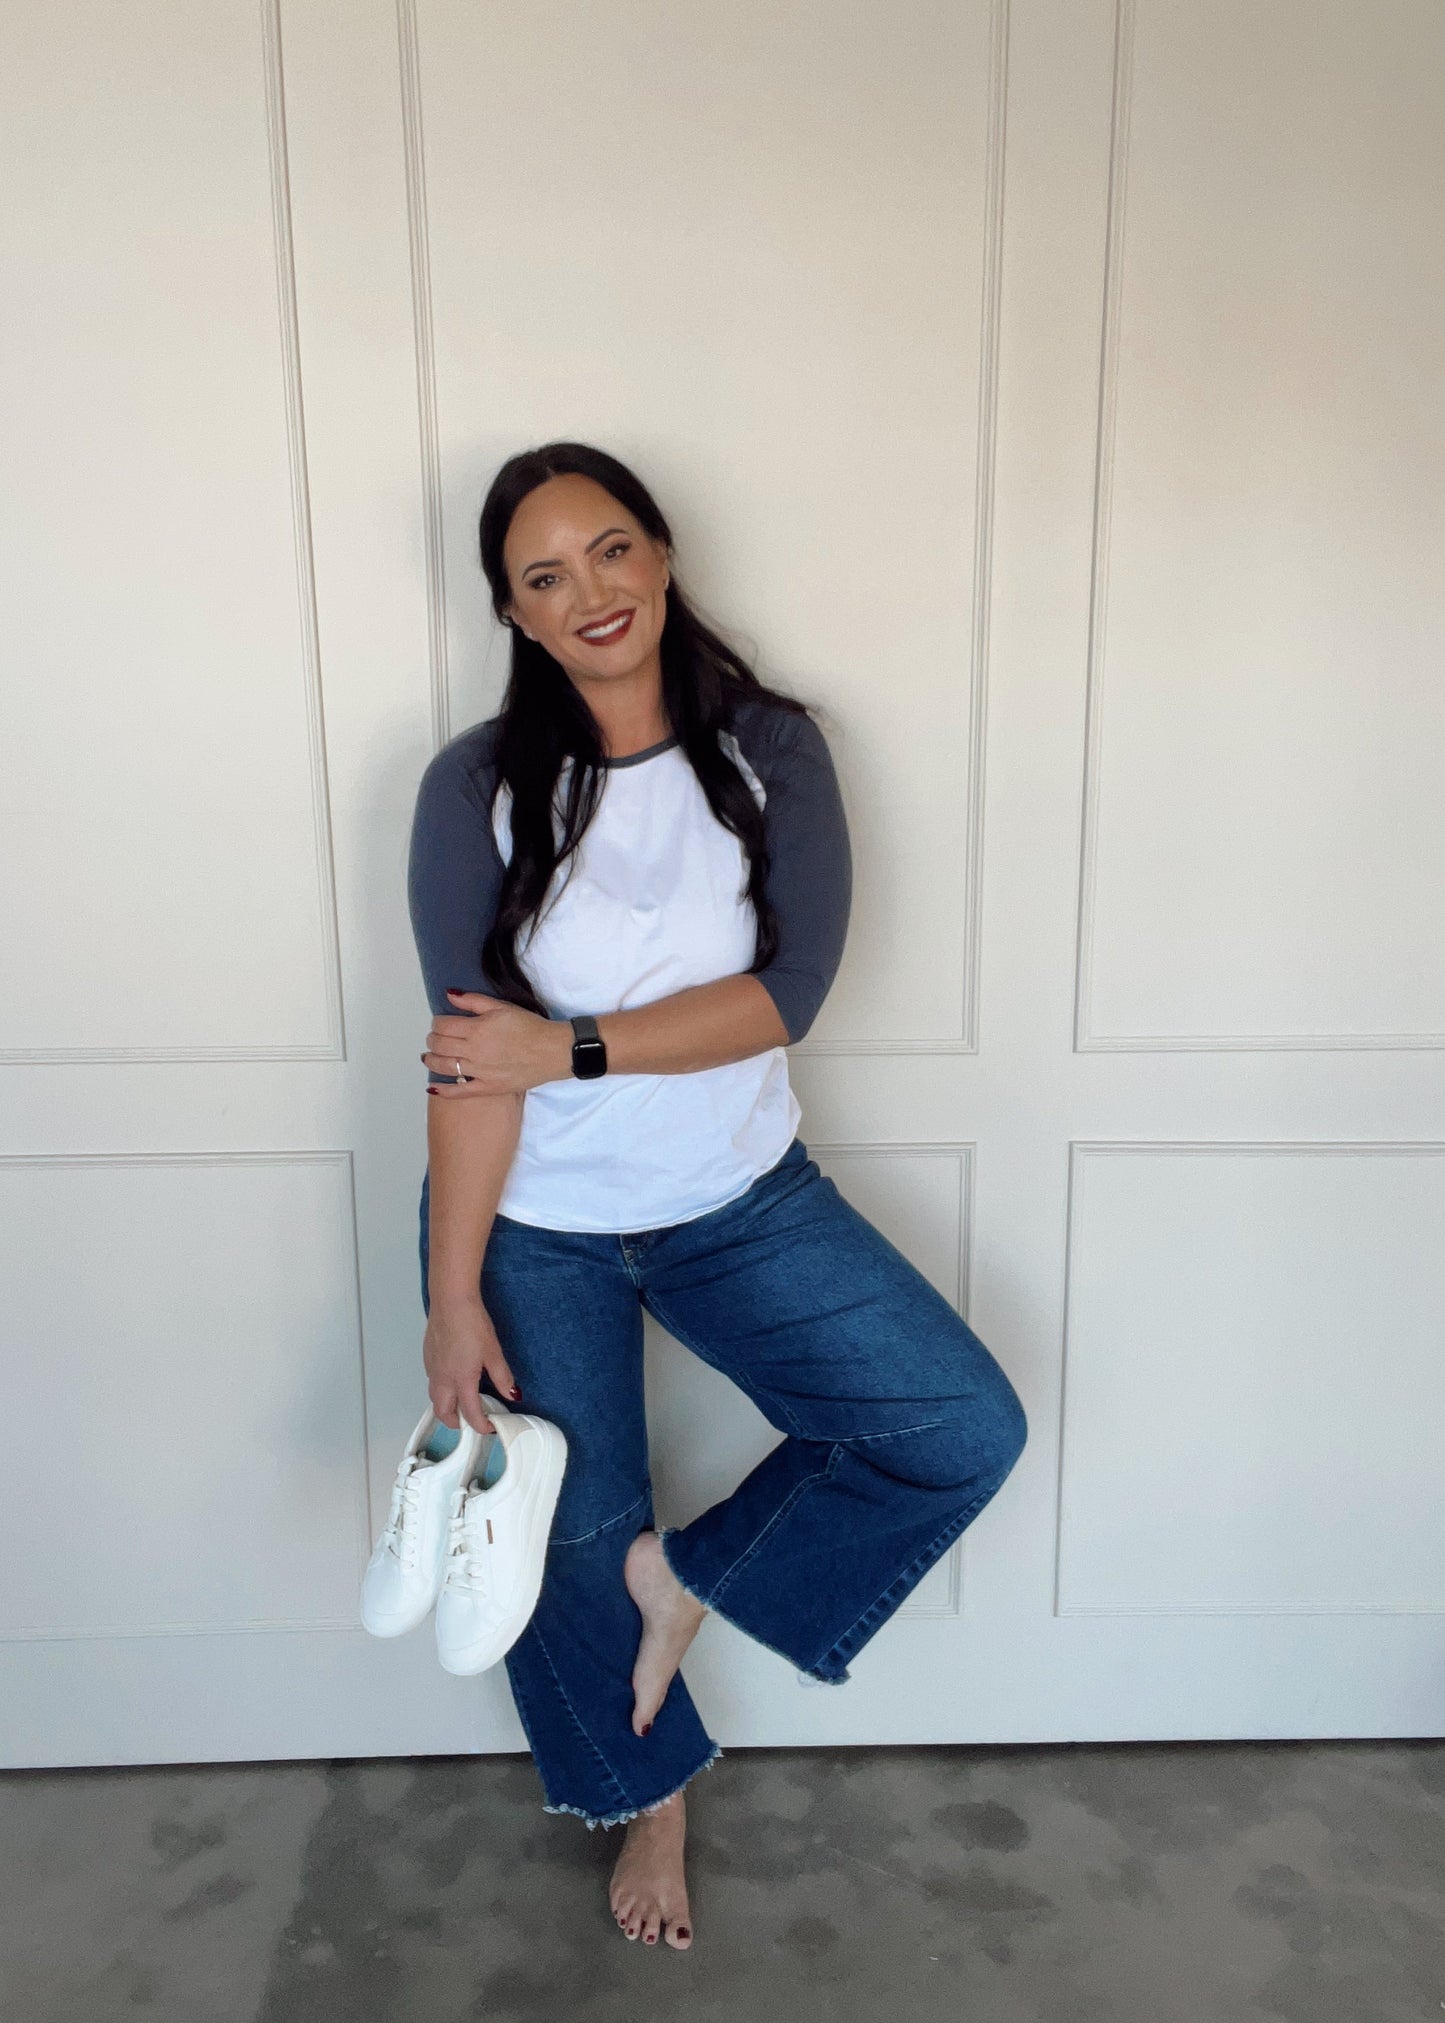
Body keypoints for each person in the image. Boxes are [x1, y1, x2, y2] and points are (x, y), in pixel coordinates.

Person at [406, 442, 1028, 1954]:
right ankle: (653, 1794)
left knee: (956, 1425)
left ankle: (684, 1579)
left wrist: (572, 1046)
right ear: (514, 613)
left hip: (736, 1201)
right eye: (545, 576)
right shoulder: (475, 786)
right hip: (539, 1227)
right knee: (562, 1535)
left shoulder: (768, 750)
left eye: (610, 549)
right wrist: (453, 1292)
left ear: (662, 551)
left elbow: (787, 994)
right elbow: (473, 1061)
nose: (590, 592)